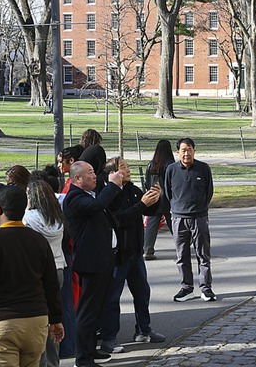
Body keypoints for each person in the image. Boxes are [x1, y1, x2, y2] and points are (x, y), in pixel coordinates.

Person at [0, 186, 64, 367]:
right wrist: (56, 319)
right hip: (36, 321)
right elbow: (51, 285)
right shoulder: (38, 240)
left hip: (0, 322)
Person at [98, 157, 164, 354]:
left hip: (135, 252)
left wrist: (155, 199)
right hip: (118, 255)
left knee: (142, 293)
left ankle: (144, 329)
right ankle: (109, 338)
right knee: (112, 298)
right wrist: (142, 205)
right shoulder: (109, 195)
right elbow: (118, 219)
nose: (127, 170)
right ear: (112, 173)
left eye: (127, 167)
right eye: (123, 167)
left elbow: (146, 211)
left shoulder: (133, 190)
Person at [63, 161, 125, 367]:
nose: (94, 176)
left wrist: (117, 186)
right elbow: (97, 206)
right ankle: (83, 359)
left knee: (96, 310)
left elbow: (107, 208)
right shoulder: (74, 198)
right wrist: (113, 185)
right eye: (89, 173)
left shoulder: (90, 194)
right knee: (87, 312)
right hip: (90, 263)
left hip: (103, 260)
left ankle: (90, 350)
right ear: (77, 178)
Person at [165, 138, 215, 302]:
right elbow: (168, 193)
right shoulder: (171, 169)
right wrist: (177, 209)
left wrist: (200, 208)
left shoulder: (203, 168)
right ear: (178, 152)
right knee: (182, 255)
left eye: (189, 149)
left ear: (194, 151)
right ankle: (186, 288)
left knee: (203, 254)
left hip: (199, 217)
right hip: (179, 218)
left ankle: (206, 288)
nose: (186, 153)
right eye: (183, 150)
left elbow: (209, 192)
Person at [24, 180, 67, 367]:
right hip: (58, 268)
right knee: (54, 319)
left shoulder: (28, 218)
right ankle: (53, 362)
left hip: (38, 272)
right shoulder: (56, 218)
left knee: (40, 322)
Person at [143, 140, 174, 261]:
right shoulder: (170, 164)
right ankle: (183, 242)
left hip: (153, 195)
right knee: (173, 222)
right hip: (167, 197)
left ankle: (147, 249)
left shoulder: (151, 164)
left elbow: (147, 183)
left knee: (152, 223)